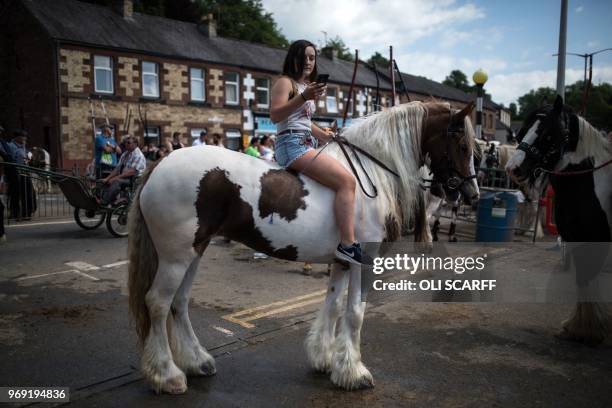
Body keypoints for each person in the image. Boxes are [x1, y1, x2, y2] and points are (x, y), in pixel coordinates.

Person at [270, 40, 365, 264]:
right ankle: (348, 246)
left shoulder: (305, 87)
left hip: (304, 141)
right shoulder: (285, 82)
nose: (308, 62)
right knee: (347, 182)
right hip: (292, 145)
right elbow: (275, 116)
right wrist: (304, 98)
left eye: (312, 58)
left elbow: (303, 120)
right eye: (303, 57)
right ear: (293, 58)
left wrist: (324, 135)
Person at [100, 135, 146, 205]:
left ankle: (104, 202)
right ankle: (108, 200)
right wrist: (107, 178)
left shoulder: (138, 155)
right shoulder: (125, 154)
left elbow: (132, 171)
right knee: (105, 181)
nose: (126, 144)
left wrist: (116, 177)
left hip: (134, 179)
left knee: (117, 181)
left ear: (135, 144)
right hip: (124, 177)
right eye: (125, 142)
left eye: (128, 142)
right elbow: (117, 168)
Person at [6, 130, 36, 220]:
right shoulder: (10, 146)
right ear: (17, 137)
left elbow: (26, 158)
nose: (25, 138)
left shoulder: (23, 146)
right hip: (15, 173)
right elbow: (8, 158)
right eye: (23, 136)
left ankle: (27, 213)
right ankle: (15, 213)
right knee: (15, 194)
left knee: (29, 192)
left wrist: (28, 159)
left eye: (25, 137)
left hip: (25, 172)